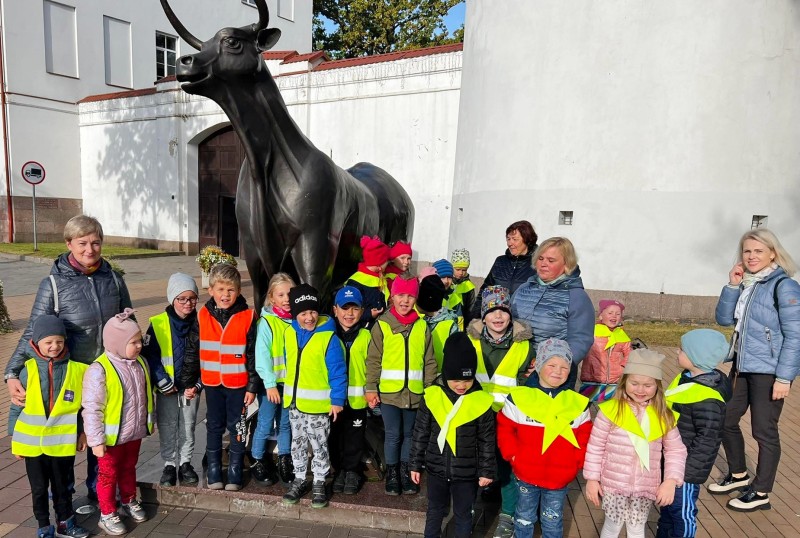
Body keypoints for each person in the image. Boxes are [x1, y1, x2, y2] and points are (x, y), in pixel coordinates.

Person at [5, 215, 132, 501]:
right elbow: (33, 332)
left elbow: (127, 322)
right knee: (66, 440)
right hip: (67, 378)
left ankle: (97, 492)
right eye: (83, 243)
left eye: (96, 242)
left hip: (105, 375)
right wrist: (11, 373)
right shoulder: (52, 284)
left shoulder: (114, 279)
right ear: (69, 244)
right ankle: (64, 498)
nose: (90, 249)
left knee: (100, 436)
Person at [708, 228, 800, 511]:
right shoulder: (748, 284)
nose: (751, 256)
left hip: (770, 372)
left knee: (764, 432)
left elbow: (796, 335)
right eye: (747, 251)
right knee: (725, 419)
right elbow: (724, 319)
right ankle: (738, 475)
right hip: (742, 366)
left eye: (759, 251)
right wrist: (732, 285)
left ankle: (761, 493)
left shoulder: (783, 286)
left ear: (773, 253)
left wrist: (784, 378)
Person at [583, 349, 687, 538]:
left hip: (644, 486)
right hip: (614, 483)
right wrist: (592, 478)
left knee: (637, 527)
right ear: (624, 383)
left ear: (657, 386)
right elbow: (595, 446)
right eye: (635, 383)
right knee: (612, 525)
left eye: (647, 385)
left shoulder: (664, 415)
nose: (640, 390)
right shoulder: (610, 411)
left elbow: (676, 450)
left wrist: (671, 480)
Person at [497, 339, 592, 538]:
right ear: (539, 365)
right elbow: (506, 429)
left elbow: (585, 436)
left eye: (564, 367)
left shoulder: (578, 404)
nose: (557, 371)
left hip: (559, 477)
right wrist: (512, 455)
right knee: (523, 517)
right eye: (551, 364)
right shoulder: (519, 398)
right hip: (526, 472)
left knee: (553, 521)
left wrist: (577, 462)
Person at [180, 263, 259, 492]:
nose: (226, 295)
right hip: (212, 384)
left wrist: (252, 386)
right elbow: (193, 350)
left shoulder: (247, 316)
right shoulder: (202, 316)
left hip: (238, 385)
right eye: (221, 289)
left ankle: (235, 468)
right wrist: (188, 382)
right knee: (214, 426)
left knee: (238, 428)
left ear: (239, 291)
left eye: (231, 290)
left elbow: (253, 354)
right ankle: (214, 467)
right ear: (211, 290)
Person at [9, 316, 90, 538]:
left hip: (62, 443)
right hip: (33, 445)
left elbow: (82, 407)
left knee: (63, 487)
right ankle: (44, 526)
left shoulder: (77, 370)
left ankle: (66, 522)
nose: (55, 347)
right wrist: (15, 440)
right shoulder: (28, 370)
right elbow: (17, 406)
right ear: (36, 343)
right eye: (48, 342)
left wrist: (82, 432)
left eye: (59, 342)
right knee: (38, 489)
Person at [409, 332, 496, 538]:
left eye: (466, 379)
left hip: (467, 474)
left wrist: (487, 471)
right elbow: (420, 433)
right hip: (436, 470)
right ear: (445, 374)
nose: (461, 385)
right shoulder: (431, 396)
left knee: (464, 514)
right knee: (434, 511)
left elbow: (487, 440)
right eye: (455, 379)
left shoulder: (481, 401)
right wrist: (415, 464)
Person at [467, 285, 535, 538]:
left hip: (509, 418)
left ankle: (507, 515)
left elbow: (527, 380)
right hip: (476, 416)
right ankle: (469, 511)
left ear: (510, 315)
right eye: (492, 310)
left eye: (503, 311)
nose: (498, 316)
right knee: (473, 463)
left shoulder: (524, 345)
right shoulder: (470, 340)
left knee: (506, 466)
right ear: (483, 316)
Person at [82, 309, 153, 536]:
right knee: (107, 475)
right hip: (109, 439)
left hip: (133, 433)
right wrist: (96, 440)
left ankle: (129, 499)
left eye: (140, 340)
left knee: (128, 468)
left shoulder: (140, 363)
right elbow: (92, 408)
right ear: (117, 343)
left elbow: (145, 397)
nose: (139, 346)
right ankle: (107, 513)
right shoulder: (100, 369)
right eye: (133, 342)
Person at [366, 276, 438, 495]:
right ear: (392, 297)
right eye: (400, 295)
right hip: (389, 394)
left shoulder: (422, 326)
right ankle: (393, 472)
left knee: (410, 435)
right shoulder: (383, 325)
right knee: (393, 434)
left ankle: (407, 471)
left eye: (410, 296)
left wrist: (430, 388)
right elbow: (374, 359)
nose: (405, 300)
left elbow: (429, 360)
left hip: (415, 394)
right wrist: (371, 387)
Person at [658, 329, 731, 538]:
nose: (677, 351)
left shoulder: (708, 399)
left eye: (682, 349)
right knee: (667, 511)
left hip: (686, 471)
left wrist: (684, 473)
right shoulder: (685, 378)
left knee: (682, 514)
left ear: (696, 357)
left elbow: (706, 443)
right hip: (672, 462)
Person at [281, 284, 347, 509]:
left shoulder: (328, 337)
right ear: (295, 315)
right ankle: (299, 478)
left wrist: (337, 400)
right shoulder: (289, 332)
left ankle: (319, 480)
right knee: (297, 444)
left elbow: (338, 371)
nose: (309, 318)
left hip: (318, 406)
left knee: (319, 445)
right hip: (295, 404)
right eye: (303, 313)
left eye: (312, 312)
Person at [510, 236, 594, 388]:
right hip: (516, 367)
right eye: (541, 258)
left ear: (566, 264)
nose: (543, 264)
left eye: (551, 260)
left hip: (553, 377)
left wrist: (551, 367)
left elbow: (580, 340)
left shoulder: (576, 297)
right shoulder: (524, 289)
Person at [142, 273, 200, 488]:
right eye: (182, 298)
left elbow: (206, 356)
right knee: (167, 425)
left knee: (188, 424)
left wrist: (197, 384)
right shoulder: (157, 324)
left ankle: (185, 463)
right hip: (166, 388)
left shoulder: (202, 322)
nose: (188, 303)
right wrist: (162, 381)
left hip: (190, 388)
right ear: (172, 299)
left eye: (192, 298)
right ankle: (169, 463)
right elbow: (150, 356)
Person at [251, 272, 296, 486]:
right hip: (271, 385)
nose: (286, 299)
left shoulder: (297, 320)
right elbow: (262, 357)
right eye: (281, 294)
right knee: (266, 423)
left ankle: (285, 459)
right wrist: (269, 385)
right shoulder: (267, 322)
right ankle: (258, 459)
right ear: (271, 297)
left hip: (290, 384)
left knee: (286, 424)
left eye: (290, 293)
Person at [330, 286, 371, 495]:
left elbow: (373, 366)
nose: (349, 314)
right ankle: (339, 470)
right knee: (334, 436)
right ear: (335, 310)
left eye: (354, 308)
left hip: (357, 400)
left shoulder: (366, 335)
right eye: (344, 308)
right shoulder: (328, 335)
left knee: (355, 437)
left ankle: (352, 470)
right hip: (334, 401)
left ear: (362, 310)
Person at [471, 220, 538, 321]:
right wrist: (474, 318)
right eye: (508, 239)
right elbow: (485, 291)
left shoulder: (538, 263)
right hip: (497, 320)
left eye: (515, 239)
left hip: (523, 322)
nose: (510, 243)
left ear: (527, 240)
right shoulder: (500, 261)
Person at [579, 299, 632, 403]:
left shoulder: (622, 336)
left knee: (611, 408)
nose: (614, 316)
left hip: (614, 381)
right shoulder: (592, 333)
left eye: (618, 314)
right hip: (592, 378)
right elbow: (581, 347)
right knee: (583, 407)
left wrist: (623, 368)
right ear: (601, 316)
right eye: (610, 313)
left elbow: (629, 354)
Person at [416, 275, 459, 372]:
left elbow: (456, 357)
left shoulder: (449, 325)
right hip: (416, 379)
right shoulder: (417, 319)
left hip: (440, 380)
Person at [346, 235, 391, 327]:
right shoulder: (355, 282)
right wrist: (368, 314)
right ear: (379, 265)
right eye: (386, 261)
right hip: (361, 329)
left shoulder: (379, 278)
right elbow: (347, 311)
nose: (388, 264)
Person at [432, 259, 464, 329]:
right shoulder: (426, 296)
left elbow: (460, 323)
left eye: (449, 277)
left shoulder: (455, 299)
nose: (446, 281)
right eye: (442, 277)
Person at [451, 248, 476, 327]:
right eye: (458, 269)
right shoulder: (448, 282)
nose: (461, 273)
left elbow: (471, 308)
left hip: (462, 323)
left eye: (464, 270)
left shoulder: (468, 286)